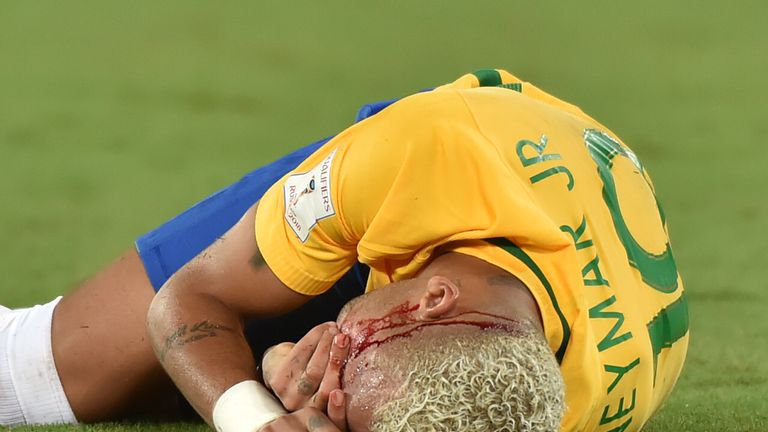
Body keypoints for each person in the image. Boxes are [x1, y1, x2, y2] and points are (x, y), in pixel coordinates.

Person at [0, 69, 689, 432]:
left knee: (214, 372)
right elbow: (190, 301)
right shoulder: (408, 161)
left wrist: (280, 372)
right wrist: (257, 422)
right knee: (50, 373)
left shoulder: (562, 406)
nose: (328, 393)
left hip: (526, 232)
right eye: (346, 377)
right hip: (459, 153)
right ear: (427, 300)